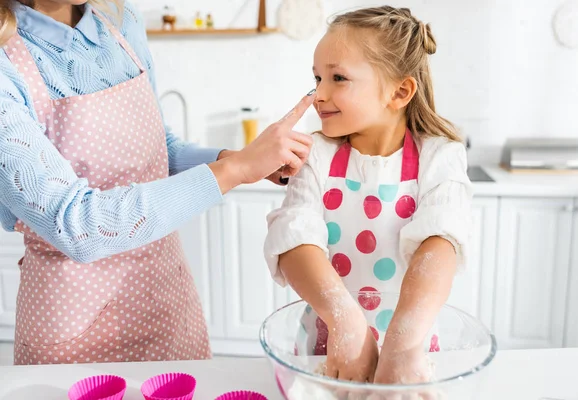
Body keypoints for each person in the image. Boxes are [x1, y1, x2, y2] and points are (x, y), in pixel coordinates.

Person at [0, 0, 314, 365]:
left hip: (168, 304)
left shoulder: (120, 20)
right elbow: (75, 225)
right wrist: (235, 170)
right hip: (75, 330)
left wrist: (234, 160)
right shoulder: (8, 62)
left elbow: (161, 151)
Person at [264, 6, 473, 385]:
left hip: (411, 351)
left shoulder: (439, 158)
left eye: (338, 78)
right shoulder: (316, 155)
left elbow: (439, 244)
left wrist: (402, 345)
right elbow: (296, 241)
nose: (318, 94)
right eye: (317, 77)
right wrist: (346, 322)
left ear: (399, 91)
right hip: (329, 345)